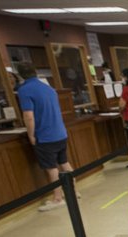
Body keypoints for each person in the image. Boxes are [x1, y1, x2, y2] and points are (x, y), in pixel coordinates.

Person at [16, 62, 77, 212]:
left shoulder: (24, 90)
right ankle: (74, 191)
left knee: (51, 168)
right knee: (64, 162)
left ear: (20, 74)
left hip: (45, 135)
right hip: (60, 132)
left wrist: (31, 135)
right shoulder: (49, 88)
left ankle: (57, 198)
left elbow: (29, 116)